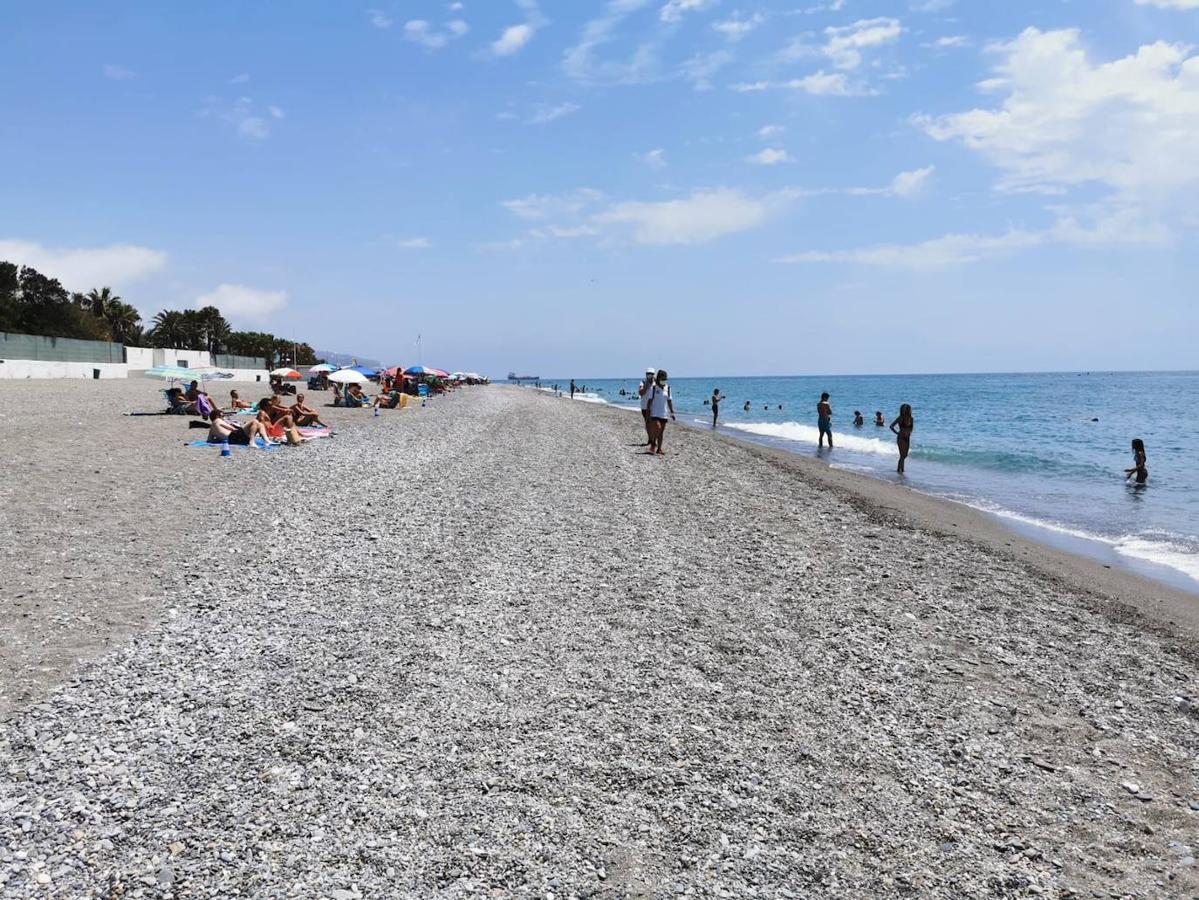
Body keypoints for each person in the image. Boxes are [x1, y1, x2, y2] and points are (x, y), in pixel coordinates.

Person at [645, 369, 675, 456]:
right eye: (662, 378)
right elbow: (649, 401)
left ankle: (659, 449)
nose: (664, 380)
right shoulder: (653, 388)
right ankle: (653, 443)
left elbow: (669, 401)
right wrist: (647, 413)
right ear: (658, 378)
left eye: (665, 379)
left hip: (664, 413)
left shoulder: (668, 388)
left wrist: (672, 413)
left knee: (661, 432)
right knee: (658, 428)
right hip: (654, 413)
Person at [207, 407, 273, 447]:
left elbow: (210, 440)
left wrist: (220, 439)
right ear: (217, 416)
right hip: (234, 436)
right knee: (255, 421)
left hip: (232, 439)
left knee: (259, 424)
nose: (223, 417)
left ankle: (267, 441)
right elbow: (232, 429)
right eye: (222, 416)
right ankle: (252, 442)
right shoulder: (217, 420)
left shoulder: (212, 428)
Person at [890, 404, 914, 473]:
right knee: (902, 455)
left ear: (908, 410)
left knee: (905, 455)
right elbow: (891, 426)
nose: (904, 411)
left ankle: (900, 469)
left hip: (907, 438)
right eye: (903, 409)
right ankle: (900, 470)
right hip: (901, 437)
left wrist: (909, 433)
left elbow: (912, 428)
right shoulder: (900, 418)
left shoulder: (911, 418)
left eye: (905, 409)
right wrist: (897, 433)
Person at [637, 368, 655, 446]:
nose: (649, 375)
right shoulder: (643, 382)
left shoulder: (656, 383)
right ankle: (650, 439)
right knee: (648, 423)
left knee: (653, 423)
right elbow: (641, 393)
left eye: (651, 373)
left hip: (654, 407)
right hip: (644, 407)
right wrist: (646, 386)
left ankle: (653, 439)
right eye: (648, 373)